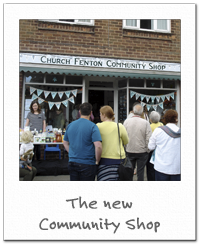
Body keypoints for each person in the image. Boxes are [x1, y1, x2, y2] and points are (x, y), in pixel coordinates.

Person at [63, 102, 102, 181]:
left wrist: (71, 153)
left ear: (79, 112)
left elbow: (65, 143)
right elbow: (98, 146)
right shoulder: (93, 126)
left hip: (72, 162)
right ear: (91, 113)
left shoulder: (70, 125)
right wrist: (97, 161)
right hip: (88, 163)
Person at [96, 106, 129, 181]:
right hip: (118, 159)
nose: (100, 115)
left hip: (103, 159)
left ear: (104, 115)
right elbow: (126, 141)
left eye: (100, 114)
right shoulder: (119, 126)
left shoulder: (98, 126)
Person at [148, 109, 181, 181]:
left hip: (161, 168)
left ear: (164, 118)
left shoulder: (158, 130)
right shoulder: (181, 132)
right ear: (176, 119)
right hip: (177, 168)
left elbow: (150, 147)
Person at [123, 103, 152, 181]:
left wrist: (126, 147)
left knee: (129, 171)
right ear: (142, 112)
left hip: (130, 149)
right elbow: (148, 138)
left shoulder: (126, 122)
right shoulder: (145, 123)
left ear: (133, 111)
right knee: (140, 172)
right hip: (142, 151)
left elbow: (123, 136)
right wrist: (147, 149)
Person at [146, 111, 163, 181]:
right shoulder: (162, 125)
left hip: (151, 149)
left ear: (150, 119)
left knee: (150, 168)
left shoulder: (149, 126)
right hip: (160, 148)